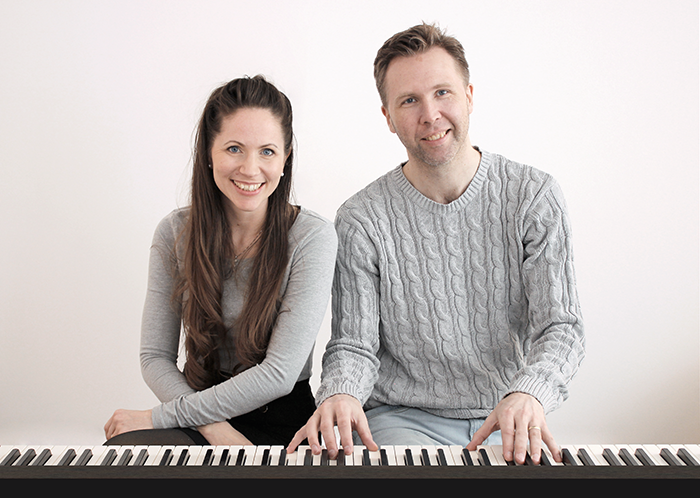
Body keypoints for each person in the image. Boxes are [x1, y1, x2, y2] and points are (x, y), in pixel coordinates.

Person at [287, 23, 585, 465]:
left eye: (442, 92)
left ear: (469, 96)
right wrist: (342, 393)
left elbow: (561, 327)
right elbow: (354, 343)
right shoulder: (361, 218)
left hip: (504, 416)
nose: (430, 114)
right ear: (388, 116)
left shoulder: (533, 196)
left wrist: (529, 392)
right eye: (409, 100)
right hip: (401, 420)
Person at [103, 75, 337, 447]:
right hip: (196, 411)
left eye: (267, 151)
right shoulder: (174, 232)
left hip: (282, 422)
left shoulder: (312, 237)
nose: (250, 168)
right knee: (123, 455)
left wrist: (159, 416)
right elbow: (155, 357)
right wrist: (213, 428)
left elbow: (279, 374)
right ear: (208, 153)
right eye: (234, 149)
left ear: (285, 158)